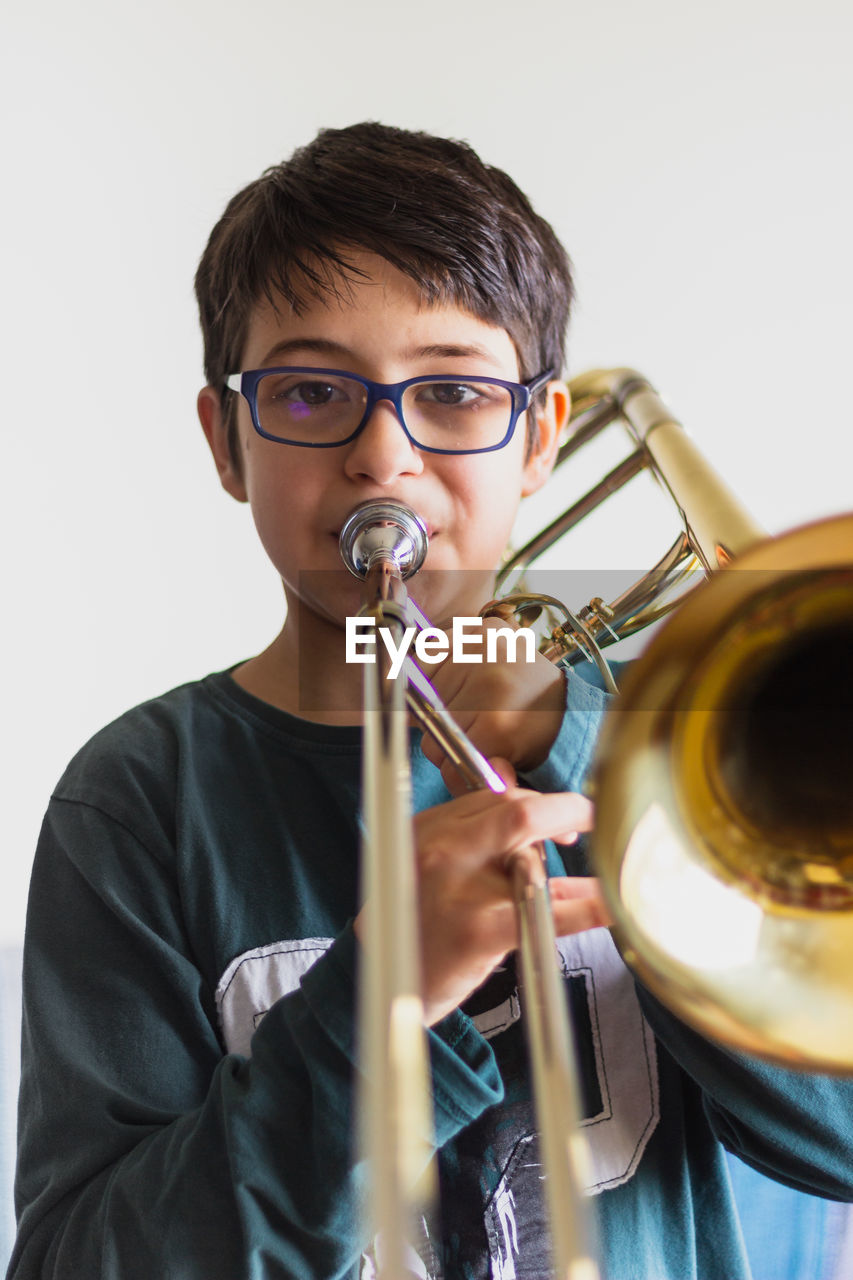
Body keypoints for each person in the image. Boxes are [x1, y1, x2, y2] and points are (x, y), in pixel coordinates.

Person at [8, 122, 853, 1280]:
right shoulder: (139, 797)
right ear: (226, 442)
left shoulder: (694, 743)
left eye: (453, 391)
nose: (383, 453)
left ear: (539, 438)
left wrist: (599, 760)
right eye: (310, 392)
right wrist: (374, 1005)